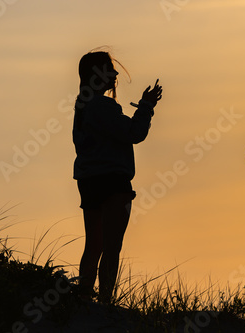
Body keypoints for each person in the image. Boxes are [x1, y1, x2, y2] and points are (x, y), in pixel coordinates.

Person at [72, 50, 162, 303]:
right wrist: (146, 107)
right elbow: (133, 133)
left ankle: (83, 299)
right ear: (98, 74)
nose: (115, 74)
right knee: (112, 246)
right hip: (113, 181)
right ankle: (104, 302)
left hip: (88, 181)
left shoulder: (82, 106)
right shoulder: (102, 105)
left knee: (94, 244)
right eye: (109, 69)